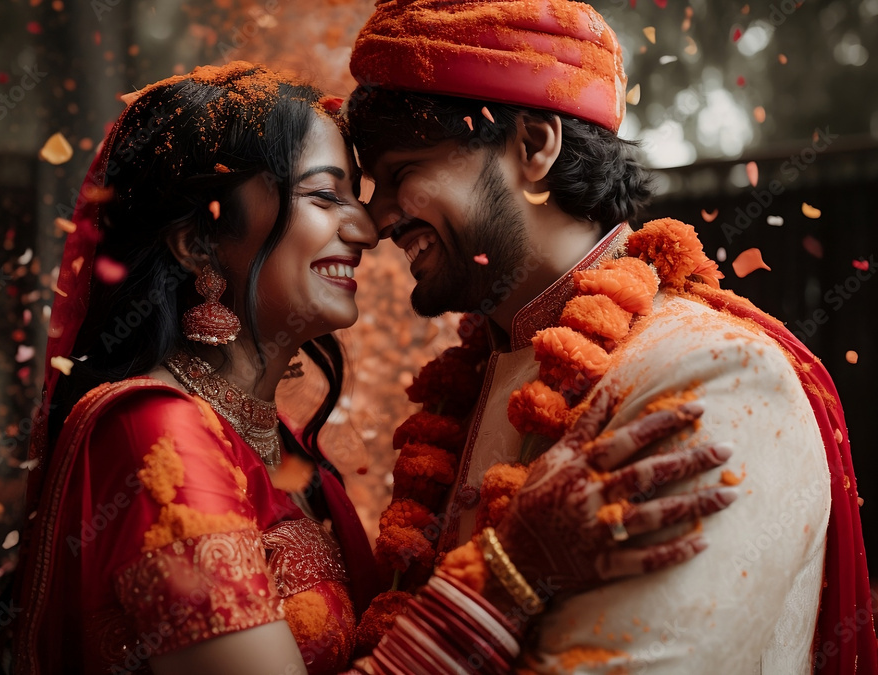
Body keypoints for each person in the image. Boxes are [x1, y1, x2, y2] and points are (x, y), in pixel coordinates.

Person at [0, 62, 735, 675]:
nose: (367, 225)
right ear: (197, 245)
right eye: (324, 194)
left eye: (361, 191)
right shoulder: (160, 432)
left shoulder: (277, 446)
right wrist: (516, 566)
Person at [345, 1, 878, 674]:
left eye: (401, 174)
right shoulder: (479, 374)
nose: (376, 218)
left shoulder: (711, 372)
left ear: (533, 147)